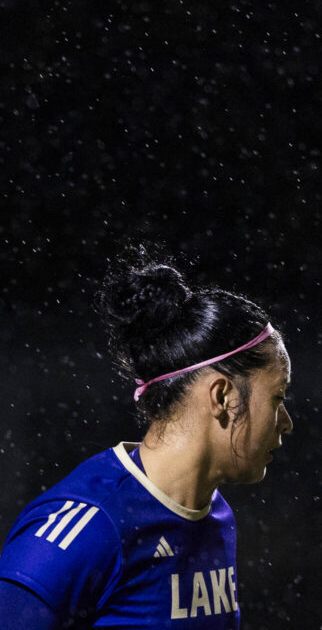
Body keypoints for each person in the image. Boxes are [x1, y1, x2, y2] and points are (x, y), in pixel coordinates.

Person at [0, 253, 294, 628]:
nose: (286, 423)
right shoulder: (92, 526)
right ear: (222, 396)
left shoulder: (217, 516)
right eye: (277, 398)